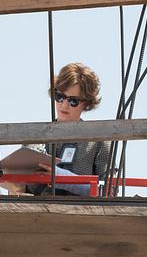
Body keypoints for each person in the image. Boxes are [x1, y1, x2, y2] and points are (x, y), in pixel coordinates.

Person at [26, 63, 112, 196]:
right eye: (59, 97)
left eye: (73, 101)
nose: (64, 105)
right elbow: (19, 187)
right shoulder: (35, 138)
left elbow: (110, 191)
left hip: (80, 209)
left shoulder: (98, 142)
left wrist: (63, 178)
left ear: (86, 103)